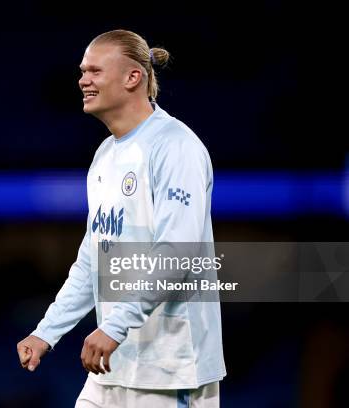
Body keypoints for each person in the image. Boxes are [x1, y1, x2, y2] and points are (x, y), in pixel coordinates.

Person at [17, 29, 226, 407]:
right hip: (113, 365)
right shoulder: (105, 156)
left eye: (95, 71)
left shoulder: (176, 147)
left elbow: (177, 254)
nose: (83, 80)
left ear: (133, 78)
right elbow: (92, 260)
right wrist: (46, 332)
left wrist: (112, 326)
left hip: (168, 369)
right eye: (82, 71)